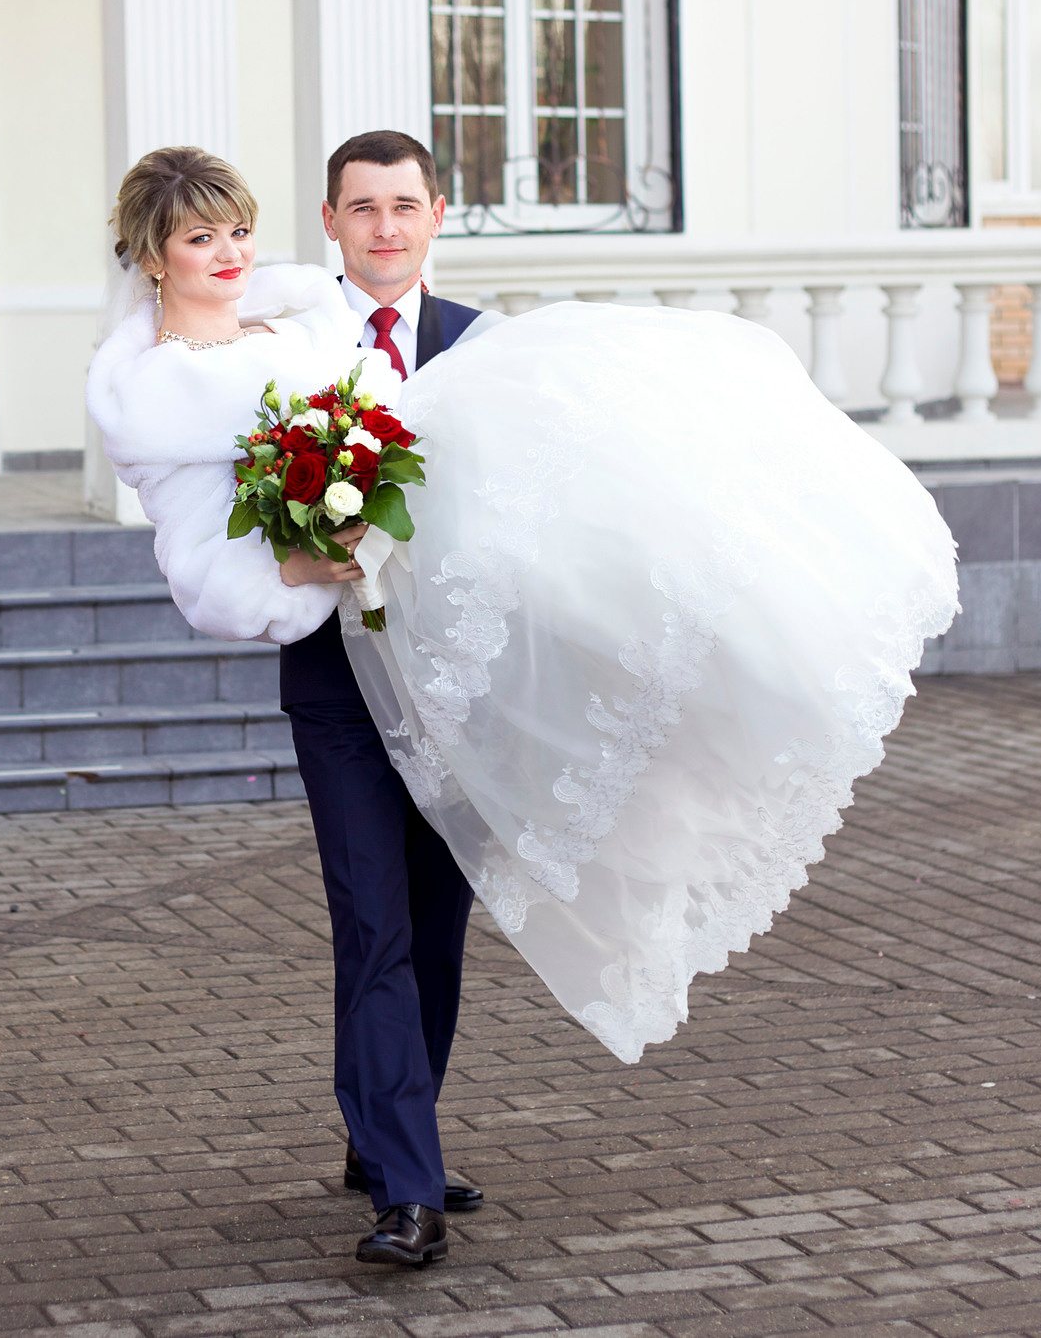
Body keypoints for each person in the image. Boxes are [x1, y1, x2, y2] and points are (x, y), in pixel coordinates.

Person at [85, 135, 958, 1271]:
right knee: (374, 923)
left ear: (436, 216)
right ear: (334, 220)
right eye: (363, 209)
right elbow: (208, 552)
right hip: (339, 681)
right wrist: (303, 563)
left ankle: (386, 1130)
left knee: (435, 926)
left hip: (458, 683)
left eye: (406, 206)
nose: (385, 227)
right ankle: (406, 1185)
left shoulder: (474, 347)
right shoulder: (226, 374)